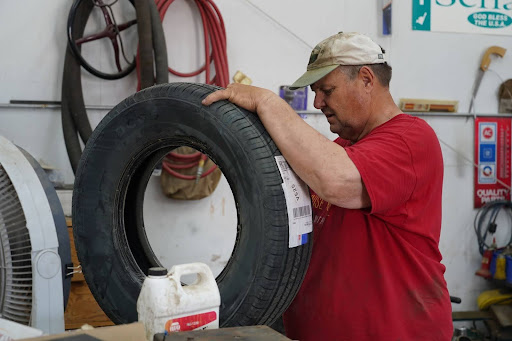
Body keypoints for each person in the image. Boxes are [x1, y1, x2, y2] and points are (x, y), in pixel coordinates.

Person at [202, 32, 452, 340]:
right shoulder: (343, 147)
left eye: (326, 90)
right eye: (315, 92)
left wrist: (268, 103)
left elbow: (338, 182)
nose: (318, 102)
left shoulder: (411, 140)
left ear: (366, 79)